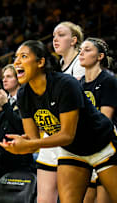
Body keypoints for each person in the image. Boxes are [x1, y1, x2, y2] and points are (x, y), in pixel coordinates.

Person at [0, 40, 117, 203]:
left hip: (102, 143)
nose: (16, 62)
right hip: (73, 150)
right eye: (16, 57)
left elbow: (67, 135)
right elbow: (34, 139)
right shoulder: (24, 94)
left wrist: (28, 145)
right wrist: (19, 145)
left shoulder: (66, 84)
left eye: (23, 56)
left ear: (40, 62)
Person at [32, 21, 86, 203]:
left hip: (76, 135)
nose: (55, 39)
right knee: (44, 199)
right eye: (54, 35)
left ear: (74, 40)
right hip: (53, 133)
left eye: (61, 35)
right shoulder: (57, 66)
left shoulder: (81, 63)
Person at [79, 37, 117, 203]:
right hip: (87, 146)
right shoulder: (78, 84)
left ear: (100, 56)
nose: (81, 53)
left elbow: (105, 119)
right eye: (80, 49)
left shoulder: (109, 80)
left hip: (107, 145)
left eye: (87, 50)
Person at [0, 64, 35, 183]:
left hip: (20, 161)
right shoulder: (5, 101)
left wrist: (6, 105)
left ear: (18, 79)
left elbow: (21, 127)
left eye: (9, 76)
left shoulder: (27, 99)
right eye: (3, 76)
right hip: (2, 160)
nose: (4, 79)